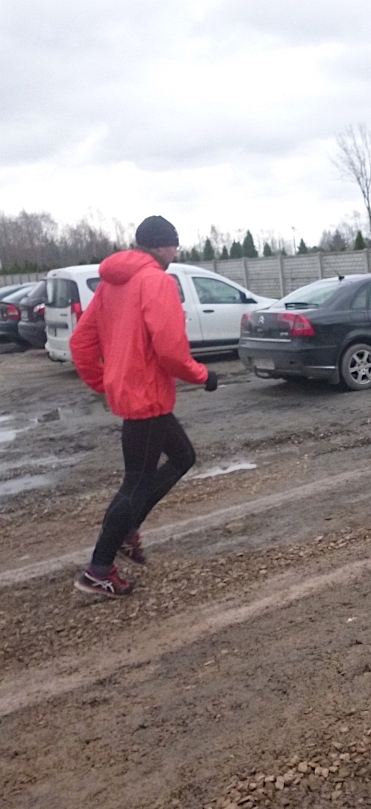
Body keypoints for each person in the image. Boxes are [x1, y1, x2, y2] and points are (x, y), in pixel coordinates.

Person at [70, 216, 218, 598]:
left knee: (183, 456)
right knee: (136, 482)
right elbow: (170, 350)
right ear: (160, 245)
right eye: (174, 246)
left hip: (135, 394)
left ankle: (127, 530)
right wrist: (203, 375)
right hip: (147, 396)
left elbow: (81, 342)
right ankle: (98, 570)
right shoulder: (156, 281)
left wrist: (106, 382)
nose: (176, 254)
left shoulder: (111, 284)